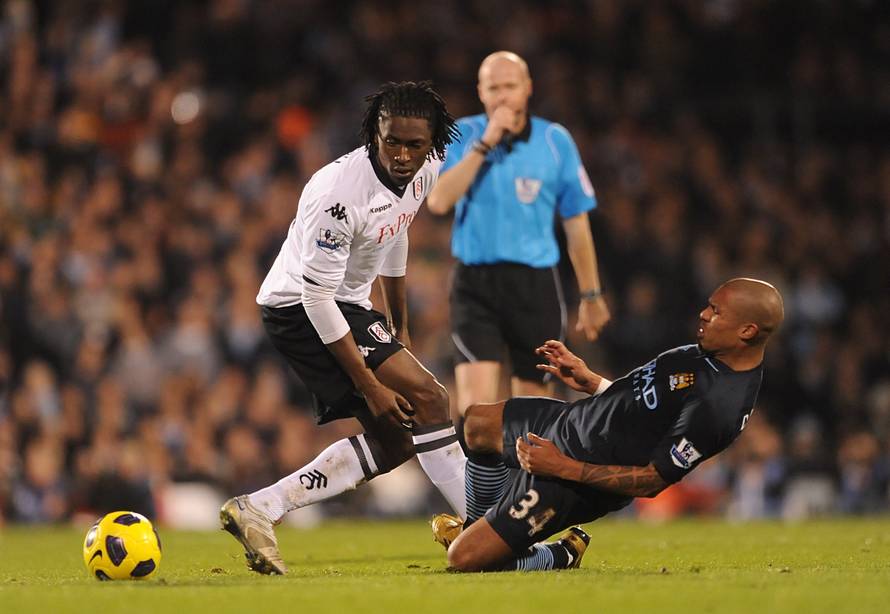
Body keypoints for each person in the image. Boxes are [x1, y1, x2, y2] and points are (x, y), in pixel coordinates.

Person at [220, 81, 466, 575]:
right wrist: (371, 385)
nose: (401, 154)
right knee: (431, 400)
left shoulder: (429, 167)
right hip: (300, 307)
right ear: (375, 131)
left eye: (414, 145)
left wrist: (399, 325)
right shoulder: (336, 195)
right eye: (390, 140)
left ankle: (261, 507)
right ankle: (486, 523)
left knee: (397, 440)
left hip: (348, 304)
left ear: (433, 143)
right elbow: (316, 297)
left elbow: (395, 233)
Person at [432, 278, 784, 572]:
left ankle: (560, 555)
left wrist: (564, 467)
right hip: (574, 421)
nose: (703, 314)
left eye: (716, 311)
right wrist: (591, 382)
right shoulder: (707, 352)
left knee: (464, 559)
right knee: (477, 423)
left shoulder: (720, 406)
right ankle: (477, 526)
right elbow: (642, 402)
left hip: (575, 477)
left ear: (747, 330)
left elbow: (652, 480)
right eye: (709, 305)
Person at [426, 51, 610, 413]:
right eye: (493, 87)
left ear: (528, 88)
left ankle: (523, 473)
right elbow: (438, 201)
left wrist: (591, 294)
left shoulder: (556, 141)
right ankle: (484, 472)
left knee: (535, 411)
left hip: (534, 285)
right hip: (475, 284)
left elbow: (577, 225)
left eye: (510, 86)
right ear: (481, 92)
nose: (502, 96)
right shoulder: (462, 134)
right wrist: (486, 143)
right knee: (475, 412)